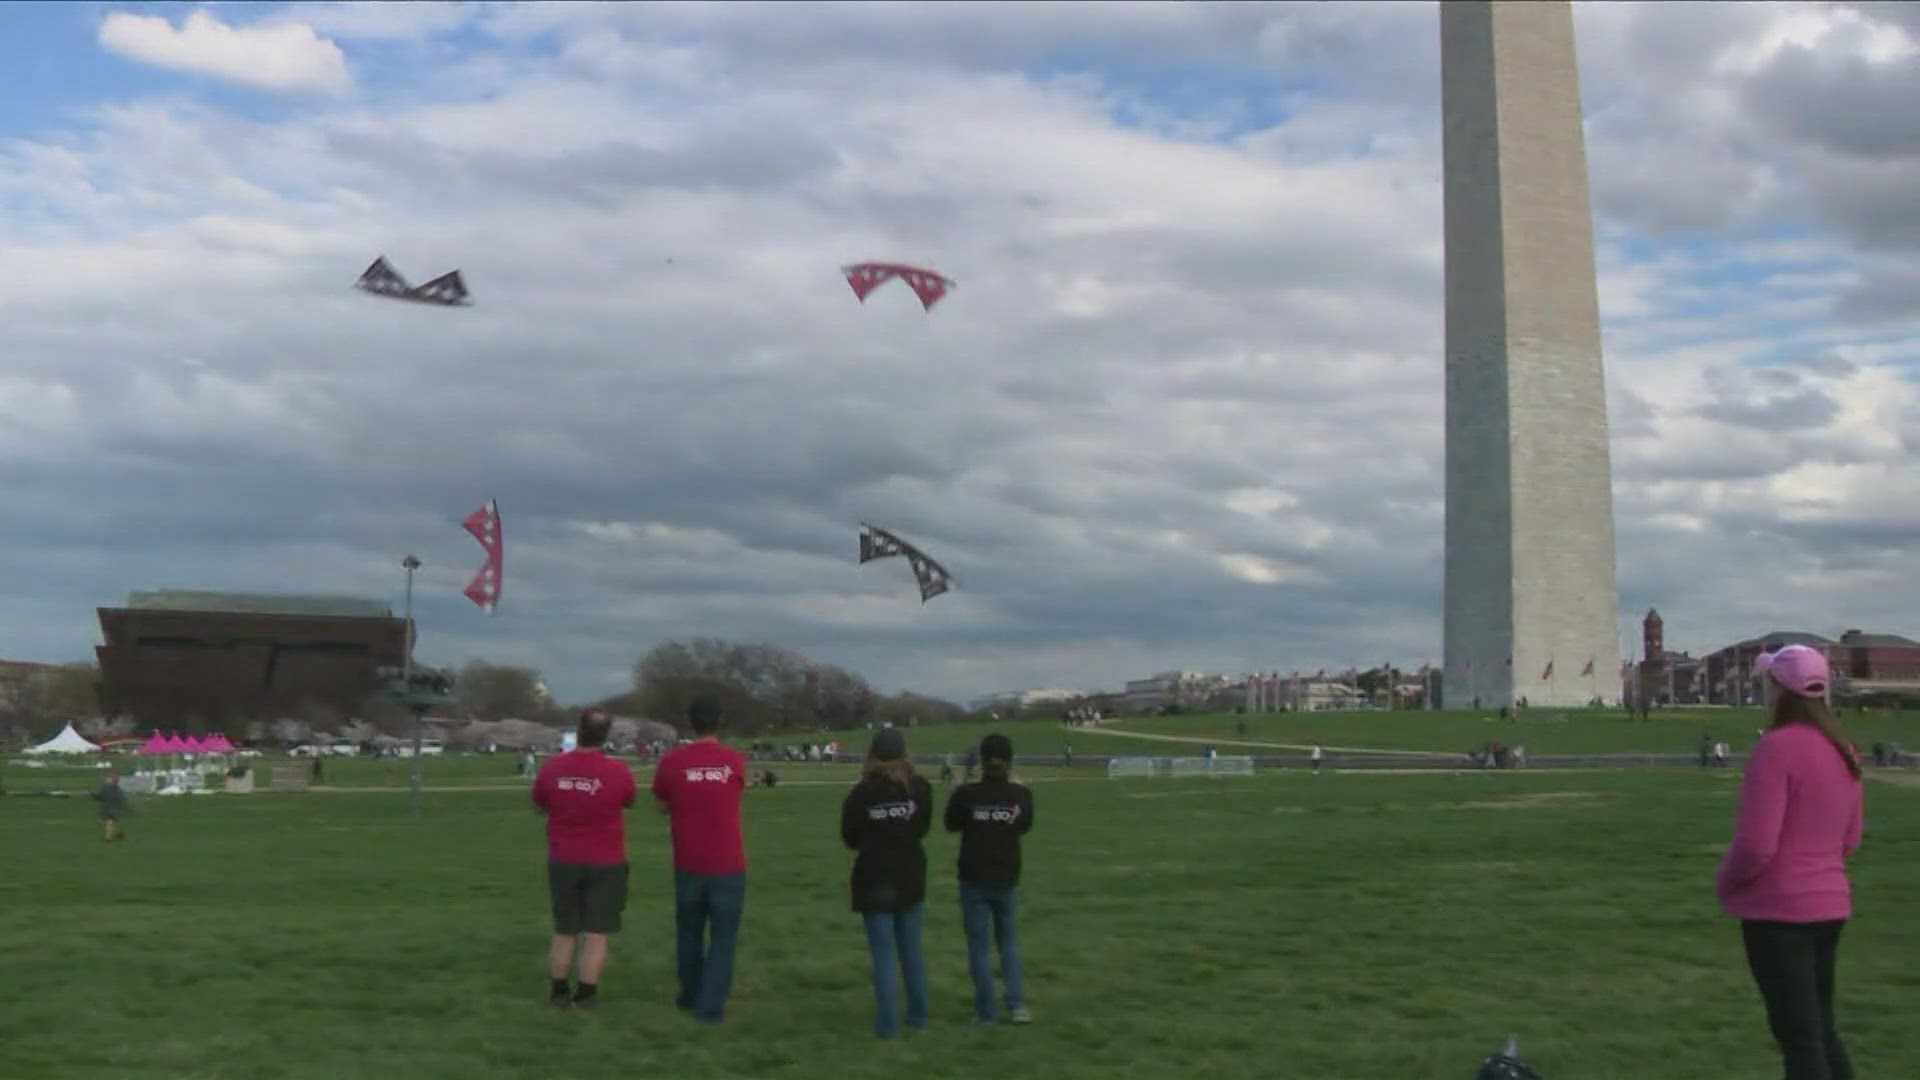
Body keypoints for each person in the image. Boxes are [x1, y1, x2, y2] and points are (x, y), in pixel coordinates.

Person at [1716, 645, 1864, 1080]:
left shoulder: (1776, 748)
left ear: (1779, 689)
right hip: (1830, 905)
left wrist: (1727, 883)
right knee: (1820, 1030)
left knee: (1799, 1041)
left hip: (1778, 912)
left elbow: (1757, 845)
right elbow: (1849, 840)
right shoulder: (1844, 749)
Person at [531, 708, 637, 1010]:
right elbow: (628, 800)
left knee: (565, 929)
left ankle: (559, 991)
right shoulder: (617, 772)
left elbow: (539, 804)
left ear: (578, 732)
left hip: (564, 857)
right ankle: (587, 994)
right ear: (607, 735)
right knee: (597, 931)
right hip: (606, 860)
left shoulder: (552, 769)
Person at [653, 695, 749, 1023]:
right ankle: (711, 1007)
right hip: (728, 862)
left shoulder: (671, 762)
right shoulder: (733, 761)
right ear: (720, 722)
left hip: (689, 861)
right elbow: (737, 793)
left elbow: (662, 803)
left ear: (689, 722)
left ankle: (690, 994)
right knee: (723, 937)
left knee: (689, 932)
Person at [840, 728, 933, 1038]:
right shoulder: (919, 788)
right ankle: (919, 1017)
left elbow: (850, 837)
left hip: (874, 875)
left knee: (882, 954)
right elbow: (922, 828)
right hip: (909, 873)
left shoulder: (861, 793)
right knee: (911, 950)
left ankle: (888, 1026)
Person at [944, 733, 1034, 1025]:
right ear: (1010, 761)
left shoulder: (967, 795)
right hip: (1007, 877)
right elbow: (1024, 826)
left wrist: (956, 790)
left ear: (982, 760)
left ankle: (986, 1011)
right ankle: (1017, 1004)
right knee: (1008, 943)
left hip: (974, 878)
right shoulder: (1021, 796)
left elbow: (951, 824)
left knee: (979, 947)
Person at [93, 773, 129, 842]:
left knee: (110, 821)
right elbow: (120, 798)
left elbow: (99, 796)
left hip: (108, 807)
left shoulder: (106, 787)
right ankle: (110, 836)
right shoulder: (117, 789)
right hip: (113, 808)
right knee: (110, 821)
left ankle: (109, 836)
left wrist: (95, 796)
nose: (107, 780)